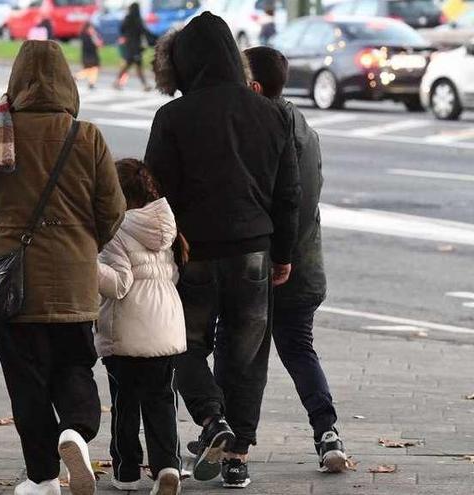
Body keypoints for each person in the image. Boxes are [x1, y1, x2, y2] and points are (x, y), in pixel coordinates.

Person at [0, 40, 126, 495]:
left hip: (12, 280)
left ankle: (42, 477)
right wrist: (83, 243)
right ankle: (76, 430)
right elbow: (112, 207)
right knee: (75, 364)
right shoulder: (85, 134)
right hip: (73, 278)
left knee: (26, 380)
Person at [145, 12, 300, 489]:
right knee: (248, 356)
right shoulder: (273, 113)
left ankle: (212, 420)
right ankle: (237, 458)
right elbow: (288, 193)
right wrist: (284, 254)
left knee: (181, 345)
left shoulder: (172, 116)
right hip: (254, 250)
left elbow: (155, 192)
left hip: (194, 252)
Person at [243, 45, 349, 473]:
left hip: (269, 264)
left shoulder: (261, 129)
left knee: (240, 353)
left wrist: (275, 256)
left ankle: (231, 440)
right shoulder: (305, 125)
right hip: (307, 266)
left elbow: (280, 202)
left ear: (253, 85)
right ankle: (327, 433)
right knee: (299, 349)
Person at [96, 159, 186, 495]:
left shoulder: (116, 228)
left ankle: (127, 470)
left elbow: (118, 285)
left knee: (125, 403)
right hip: (166, 326)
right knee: (162, 401)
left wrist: (87, 263)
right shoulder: (165, 224)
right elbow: (173, 275)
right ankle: (167, 466)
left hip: (127, 329)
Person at [114, 2, 154, 91]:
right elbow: (144, 31)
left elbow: (121, 29)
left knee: (130, 65)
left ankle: (117, 82)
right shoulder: (138, 20)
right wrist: (153, 38)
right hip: (136, 47)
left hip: (129, 46)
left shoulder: (127, 18)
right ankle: (145, 85)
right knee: (136, 66)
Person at [76, 21, 103, 90]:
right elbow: (97, 44)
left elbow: (99, 45)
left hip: (92, 55)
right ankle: (76, 77)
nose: (92, 30)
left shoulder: (91, 36)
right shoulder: (86, 36)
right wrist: (95, 39)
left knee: (93, 70)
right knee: (90, 70)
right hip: (89, 56)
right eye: (91, 28)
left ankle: (91, 83)